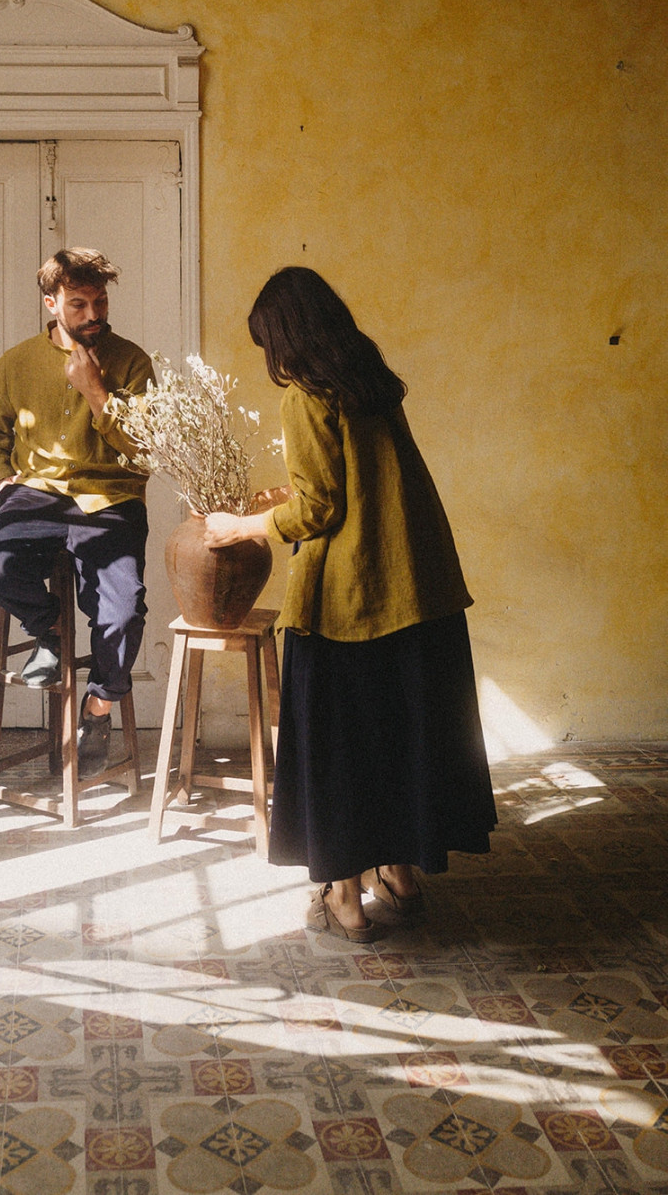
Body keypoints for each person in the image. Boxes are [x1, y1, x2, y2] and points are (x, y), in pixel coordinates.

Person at [204, 267, 496, 940]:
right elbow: (364, 482)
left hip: (351, 606)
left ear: (286, 339)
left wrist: (242, 526)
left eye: (267, 346)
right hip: (419, 593)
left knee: (340, 750)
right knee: (400, 741)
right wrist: (293, 492)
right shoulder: (372, 386)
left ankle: (344, 899)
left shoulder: (305, 397)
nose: (270, 362)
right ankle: (401, 873)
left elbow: (324, 508)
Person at [0, 248, 153, 779]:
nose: (94, 314)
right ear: (52, 304)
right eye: (79, 304)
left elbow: (142, 450)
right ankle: (50, 628)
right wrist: (0, 482)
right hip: (37, 493)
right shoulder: (17, 363)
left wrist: (96, 391)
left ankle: (97, 710)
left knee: (123, 612)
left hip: (112, 496)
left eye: (99, 302)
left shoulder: (132, 362)